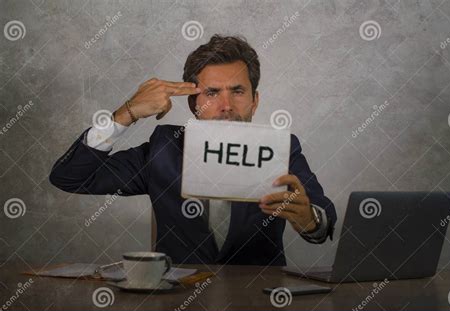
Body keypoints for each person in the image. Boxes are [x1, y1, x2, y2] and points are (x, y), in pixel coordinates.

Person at [49, 34, 337, 266]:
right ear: (192, 103)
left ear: (255, 100)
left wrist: (310, 220)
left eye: (237, 91)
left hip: (259, 306)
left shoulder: (282, 149)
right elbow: (70, 177)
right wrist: (127, 113)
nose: (226, 106)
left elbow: (323, 220)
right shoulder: (164, 150)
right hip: (178, 306)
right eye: (211, 93)